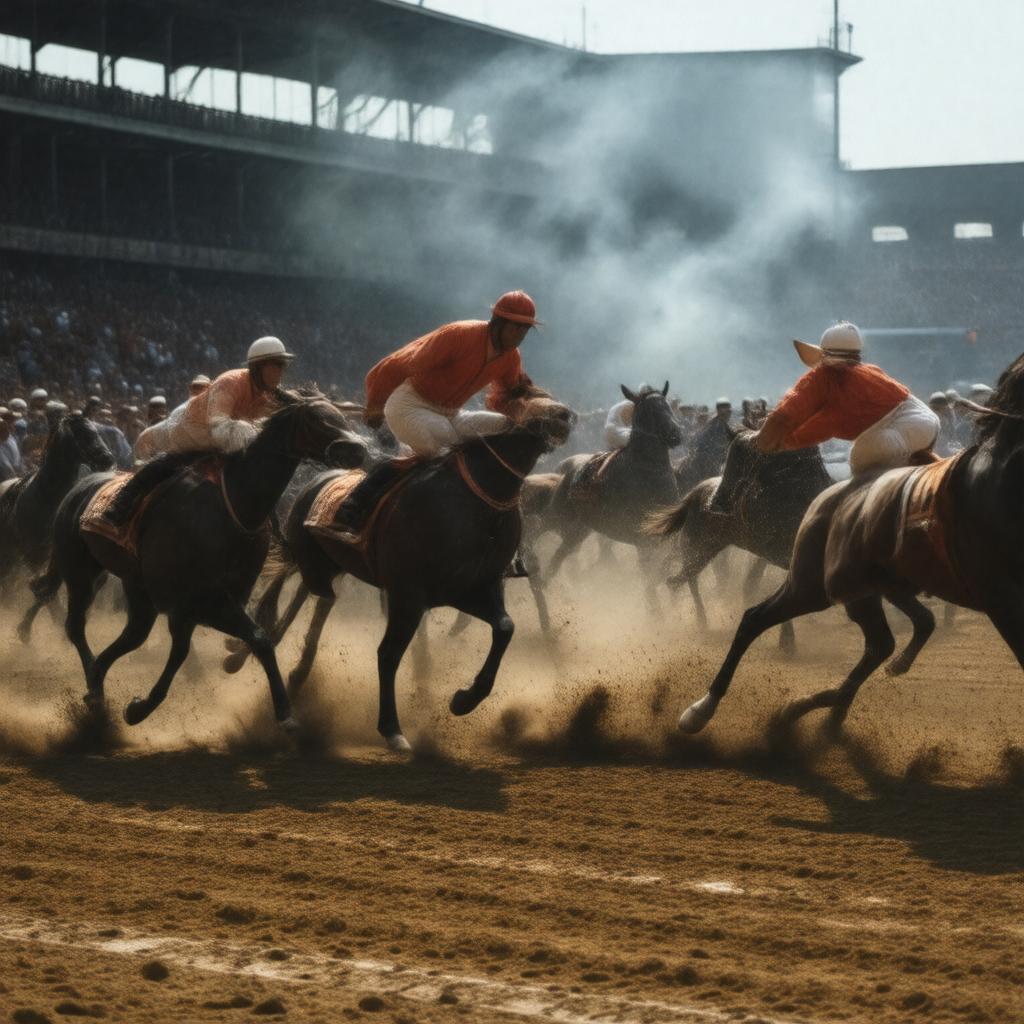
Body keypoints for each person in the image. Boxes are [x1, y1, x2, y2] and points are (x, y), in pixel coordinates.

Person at [335, 291, 541, 563]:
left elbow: (504, 398)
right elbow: (400, 363)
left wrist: (531, 406)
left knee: (507, 427)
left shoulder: (511, 357)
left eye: (526, 329)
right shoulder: (459, 334)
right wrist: (375, 404)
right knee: (445, 446)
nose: (520, 335)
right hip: (408, 406)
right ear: (498, 321)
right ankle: (355, 505)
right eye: (517, 327)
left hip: (449, 414)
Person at [713, 323, 939, 513]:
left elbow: (785, 417)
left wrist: (765, 441)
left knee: (858, 464)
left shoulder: (822, 377)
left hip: (897, 430)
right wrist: (785, 439)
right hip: (926, 421)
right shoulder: (869, 370)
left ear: (823, 354)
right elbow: (822, 425)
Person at [108, 337, 293, 527]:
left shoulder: (268, 392)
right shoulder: (230, 382)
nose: (282, 371)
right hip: (187, 429)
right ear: (258, 367)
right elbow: (220, 426)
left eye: (283, 365)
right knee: (167, 463)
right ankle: (120, 504)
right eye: (277, 365)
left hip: (213, 439)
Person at [0, 408, 23, 481]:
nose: (6, 431)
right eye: (2, 430)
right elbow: (5, 465)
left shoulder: (11, 438)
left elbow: (17, 456)